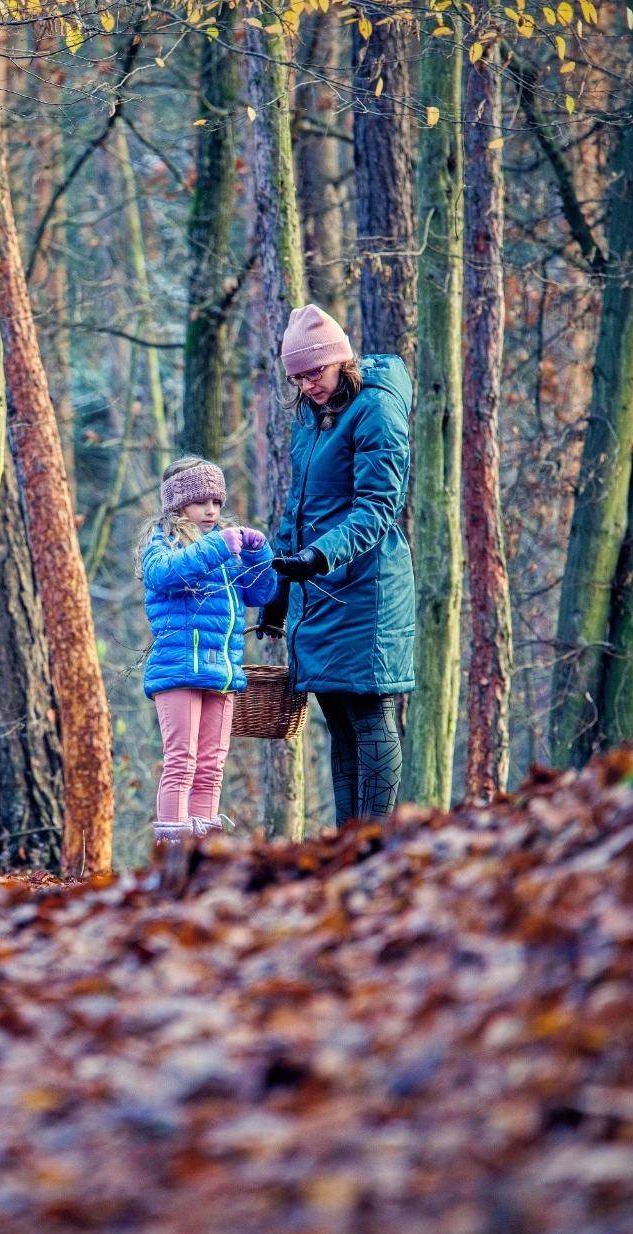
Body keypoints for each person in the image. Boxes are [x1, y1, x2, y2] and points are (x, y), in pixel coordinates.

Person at [260, 304, 415, 821]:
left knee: (370, 719)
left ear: (340, 360)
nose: (308, 386)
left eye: (315, 372)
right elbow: (297, 508)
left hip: (367, 588)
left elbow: (379, 507)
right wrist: (279, 594)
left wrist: (320, 554)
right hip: (318, 591)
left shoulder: (376, 408)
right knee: (340, 725)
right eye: (298, 378)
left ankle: (375, 846)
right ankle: (347, 846)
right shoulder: (309, 417)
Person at [139, 457, 278, 847]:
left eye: (216, 502)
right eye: (201, 502)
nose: (211, 510)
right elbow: (164, 575)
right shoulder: (162, 542)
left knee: (211, 767)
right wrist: (219, 546)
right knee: (181, 762)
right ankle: (173, 855)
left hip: (222, 671)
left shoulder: (224, 548)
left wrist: (258, 554)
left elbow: (261, 593)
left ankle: (204, 855)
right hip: (179, 669)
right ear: (178, 504)